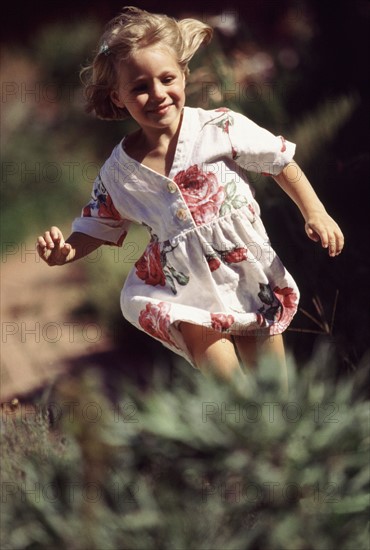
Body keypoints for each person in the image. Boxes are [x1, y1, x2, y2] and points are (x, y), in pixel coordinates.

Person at [36, 6, 344, 383]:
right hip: (186, 292)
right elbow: (97, 226)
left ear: (184, 74)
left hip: (250, 277)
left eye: (167, 79)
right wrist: (66, 251)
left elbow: (280, 162)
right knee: (232, 387)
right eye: (140, 87)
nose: (158, 94)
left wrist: (315, 212)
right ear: (117, 96)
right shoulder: (118, 172)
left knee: (273, 390)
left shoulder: (221, 126)